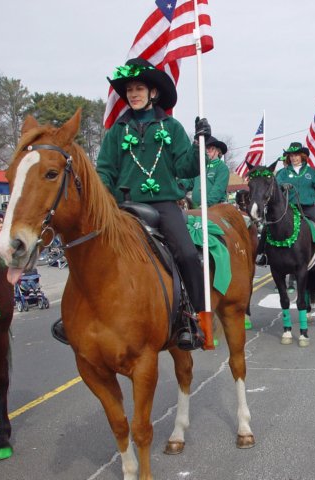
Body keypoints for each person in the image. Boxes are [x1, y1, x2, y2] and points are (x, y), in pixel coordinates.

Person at [54, 57, 211, 350]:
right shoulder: (116, 131)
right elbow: (105, 171)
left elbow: (186, 167)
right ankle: (72, 314)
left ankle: (193, 320)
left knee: (188, 255)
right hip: (123, 207)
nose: (133, 94)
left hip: (164, 205)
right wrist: (104, 201)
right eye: (129, 90)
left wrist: (198, 143)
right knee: (87, 251)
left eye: (139, 88)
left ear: (153, 93)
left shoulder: (171, 127)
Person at [256, 142, 315, 270]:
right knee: (268, 226)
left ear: (302, 156)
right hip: (288, 209)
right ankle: (263, 254)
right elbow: (275, 187)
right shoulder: (283, 173)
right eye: (291, 156)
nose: (294, 158)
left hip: (308, 208)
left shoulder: (311, 173)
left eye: (296, 155)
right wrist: (282, 186)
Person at [182, 136, 229, 207]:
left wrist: (207, 204)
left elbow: (218, 189)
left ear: (218, 151)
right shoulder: (200, 167)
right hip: (196, 207)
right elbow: (189, 182)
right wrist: (176, 184)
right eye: (204, 148)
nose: (206, 150)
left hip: (216, 207)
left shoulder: (222, 167)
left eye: (209, 148)